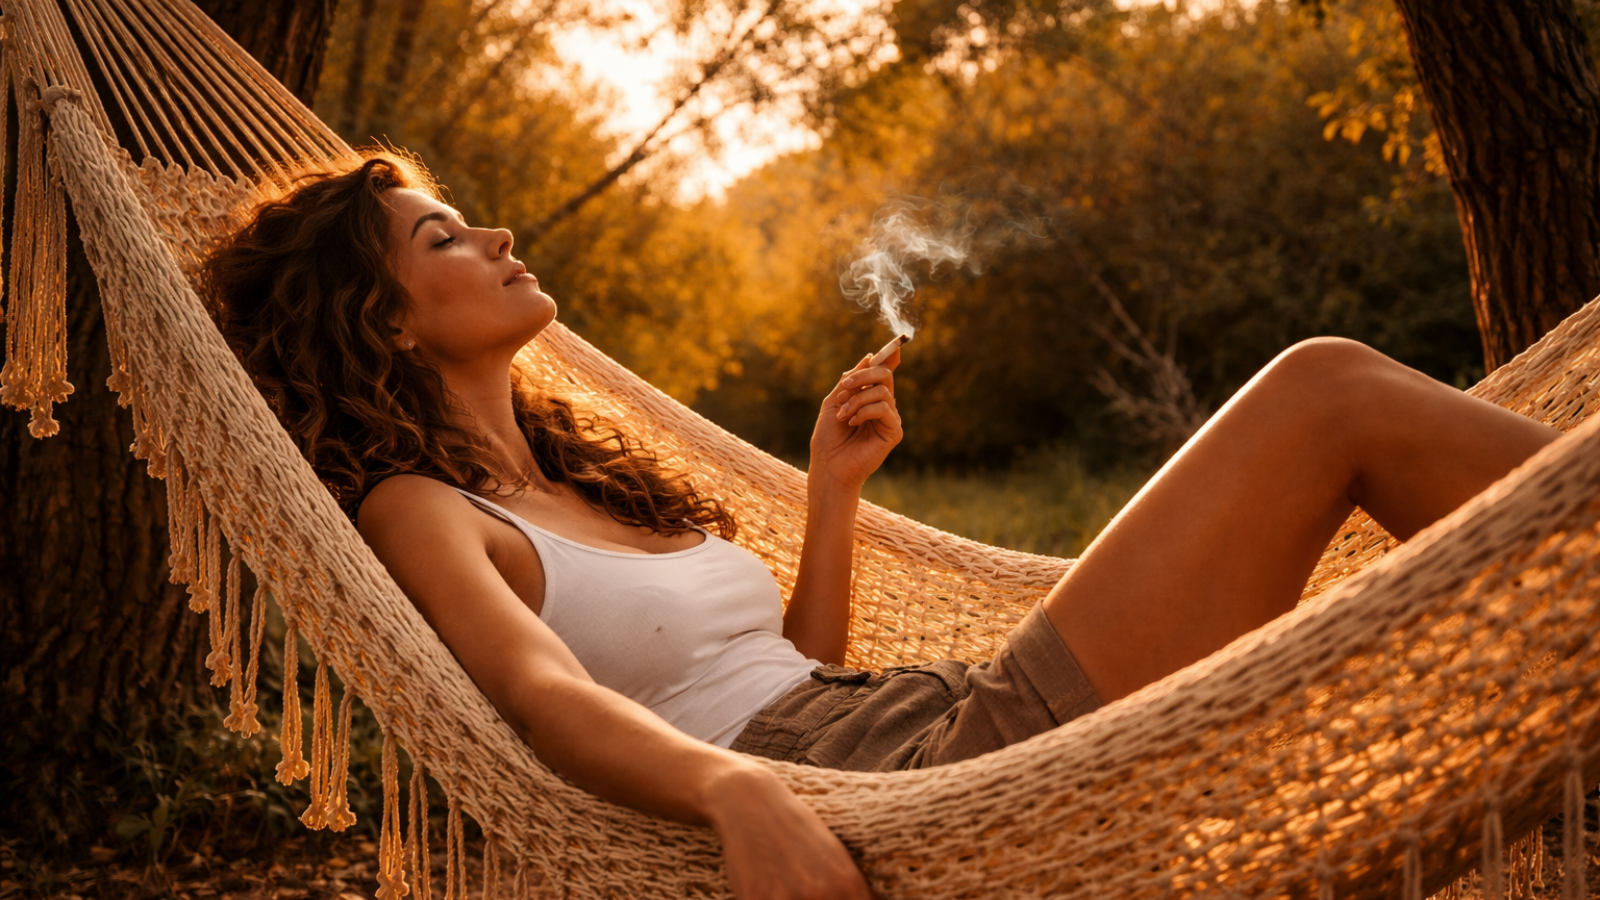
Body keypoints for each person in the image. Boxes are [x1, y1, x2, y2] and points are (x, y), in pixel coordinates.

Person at [201, 155, 1561, 900]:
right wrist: (738, 791)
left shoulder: (587, 479)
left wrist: (833, 495)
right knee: (1326, 393)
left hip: (907, 726)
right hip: (901, 780)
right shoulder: (419, 508)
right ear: (385, 319)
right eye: (445, 237)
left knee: (1334, 391)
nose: (497, 233)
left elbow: (794, 672)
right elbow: (544, 695)